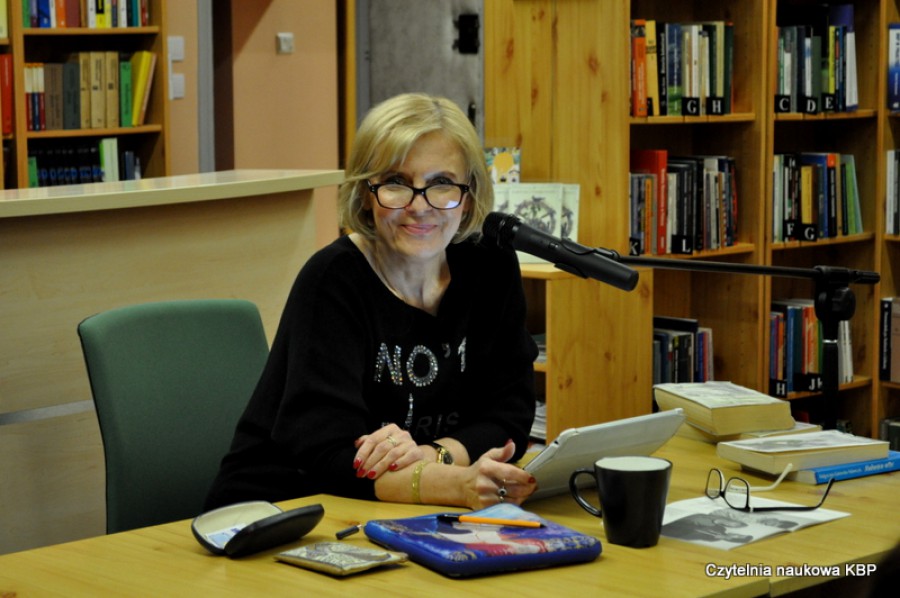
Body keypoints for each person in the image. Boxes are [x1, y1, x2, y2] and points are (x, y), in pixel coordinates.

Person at [205, 93, 539, 512]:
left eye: (441, 183)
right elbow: (326, 455)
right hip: (281, 510)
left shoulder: (490, 264)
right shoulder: (333, 280)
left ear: (469, 195)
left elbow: (510, 415)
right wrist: (455, 484)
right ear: (365, 193)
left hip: (400, 510)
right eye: (396, 183)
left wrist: (433, 456)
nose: (420, 207)